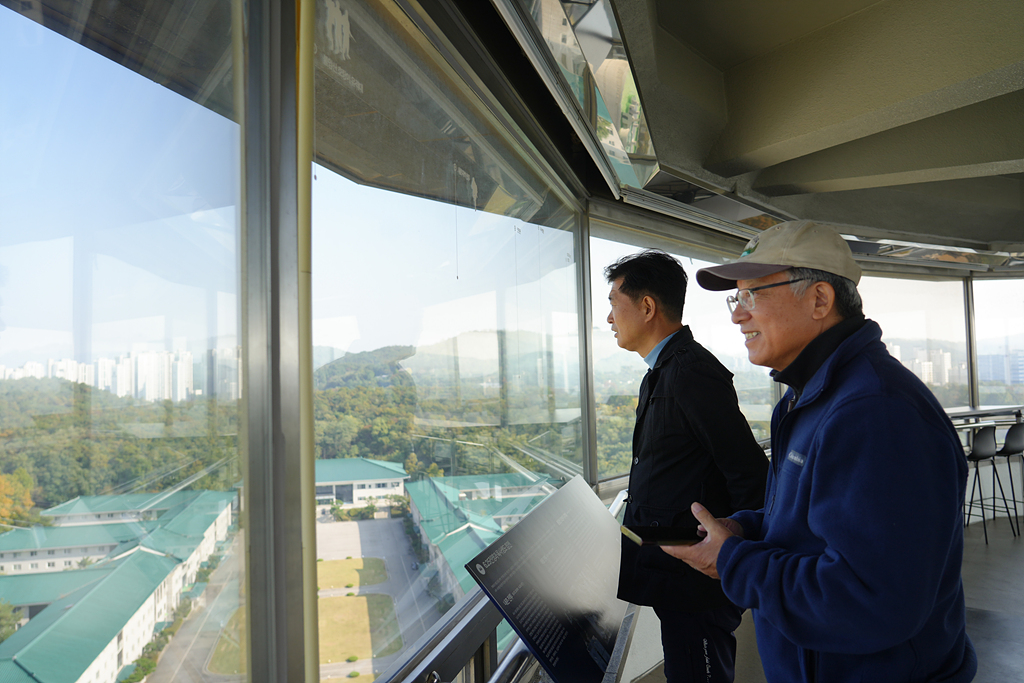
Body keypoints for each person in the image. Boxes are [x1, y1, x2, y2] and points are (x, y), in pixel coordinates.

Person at [663, 220, 977, 682]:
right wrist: (745, 529)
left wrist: (733, 561)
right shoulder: (809, 396)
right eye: (738, 297)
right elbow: (813, 526)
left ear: (820, 300)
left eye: (753, 295)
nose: (737, 315)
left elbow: (871, 600)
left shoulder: (875, 413)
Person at [605, 250, 768, 683]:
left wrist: (733, 562)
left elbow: (749, 473)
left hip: (697, 584)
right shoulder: (662, 371)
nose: (608, 319)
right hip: (674, 577)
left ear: (646, 306)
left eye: (613, 305)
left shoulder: (690, 371)